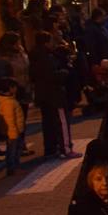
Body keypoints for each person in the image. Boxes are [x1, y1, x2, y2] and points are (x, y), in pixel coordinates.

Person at [30, 30, 78, 159]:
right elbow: (52, 75)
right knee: (62, 122)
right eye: (50, 41)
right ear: (46, 42)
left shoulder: (35, 56)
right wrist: (64, 72)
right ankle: (66, 148)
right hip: (54, 94)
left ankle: (51, 148)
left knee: (49, 123)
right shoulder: (46, 57)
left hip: (43, 94)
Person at [0, 77, 26, 176]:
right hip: (12, 133)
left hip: (14, 131)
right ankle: (13, 169)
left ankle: (13, 168)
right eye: (14, 87)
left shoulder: (8, 99)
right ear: (10, 88)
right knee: (13, 151)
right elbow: (10, 120)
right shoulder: (8, 102)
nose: (16, 89)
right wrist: (14, 134)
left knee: (13, 150)